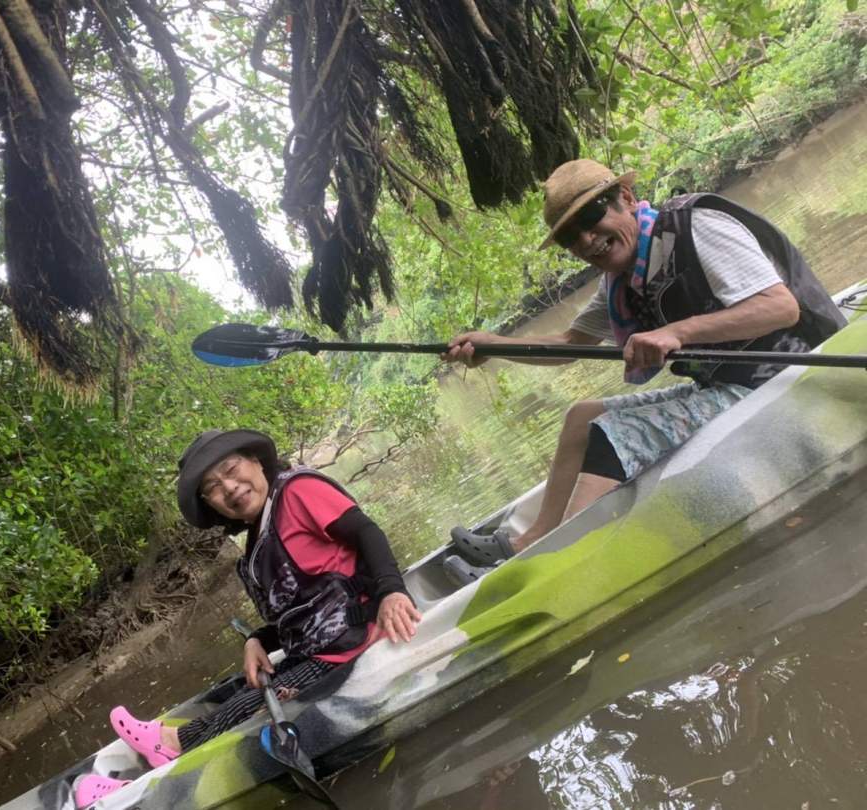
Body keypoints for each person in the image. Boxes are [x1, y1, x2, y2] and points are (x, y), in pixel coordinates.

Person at [441, 158, 844, 578]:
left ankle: (550, 570)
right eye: (569, 237)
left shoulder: (695, 227)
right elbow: (568, 345)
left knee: (608, 434)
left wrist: (677, 332)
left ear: (627, 199)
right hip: (727, 385)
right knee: (583, 417)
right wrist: (495, 344)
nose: (586, 239)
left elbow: (780, 308)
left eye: (593, 216)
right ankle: (530, 542)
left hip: (788, 375)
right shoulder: (621, 280)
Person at [75, 429, 422, 808]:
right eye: (213, 487)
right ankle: (167, 750)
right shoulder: (259, 534)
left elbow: (366, 531)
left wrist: (392, 591)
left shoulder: (298, 491)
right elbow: (302, 606)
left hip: (349, 643)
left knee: (251, 705)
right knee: (242, 686)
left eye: (232, 468)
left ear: (256, 462)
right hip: (318, 646)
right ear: (211, 504)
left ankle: (160, 761)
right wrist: (257, 639)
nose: (230, 487)